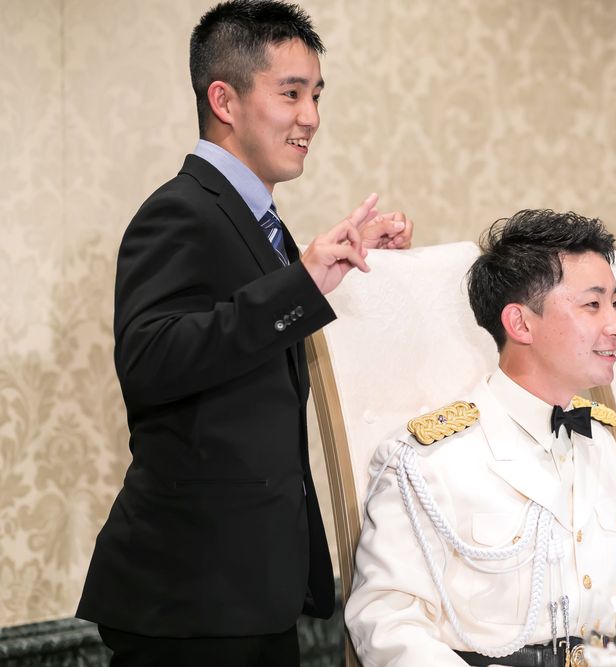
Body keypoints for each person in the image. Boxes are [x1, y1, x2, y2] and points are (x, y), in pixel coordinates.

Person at [77, 1, 413, 664]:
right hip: (190, 597)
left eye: (316, 95)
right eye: (291, 93)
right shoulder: (178, 210)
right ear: (224, 100)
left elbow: (247, 329)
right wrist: (300, 281)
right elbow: (149, 359)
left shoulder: (254, 219)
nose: (310, 116)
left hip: (250, 591)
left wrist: (344, 267)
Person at [345, 209, 616, 666]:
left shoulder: (595, 438)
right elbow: (386, 623)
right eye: (592, 305)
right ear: (520, 323)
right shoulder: (429, 460)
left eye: (615, 303)